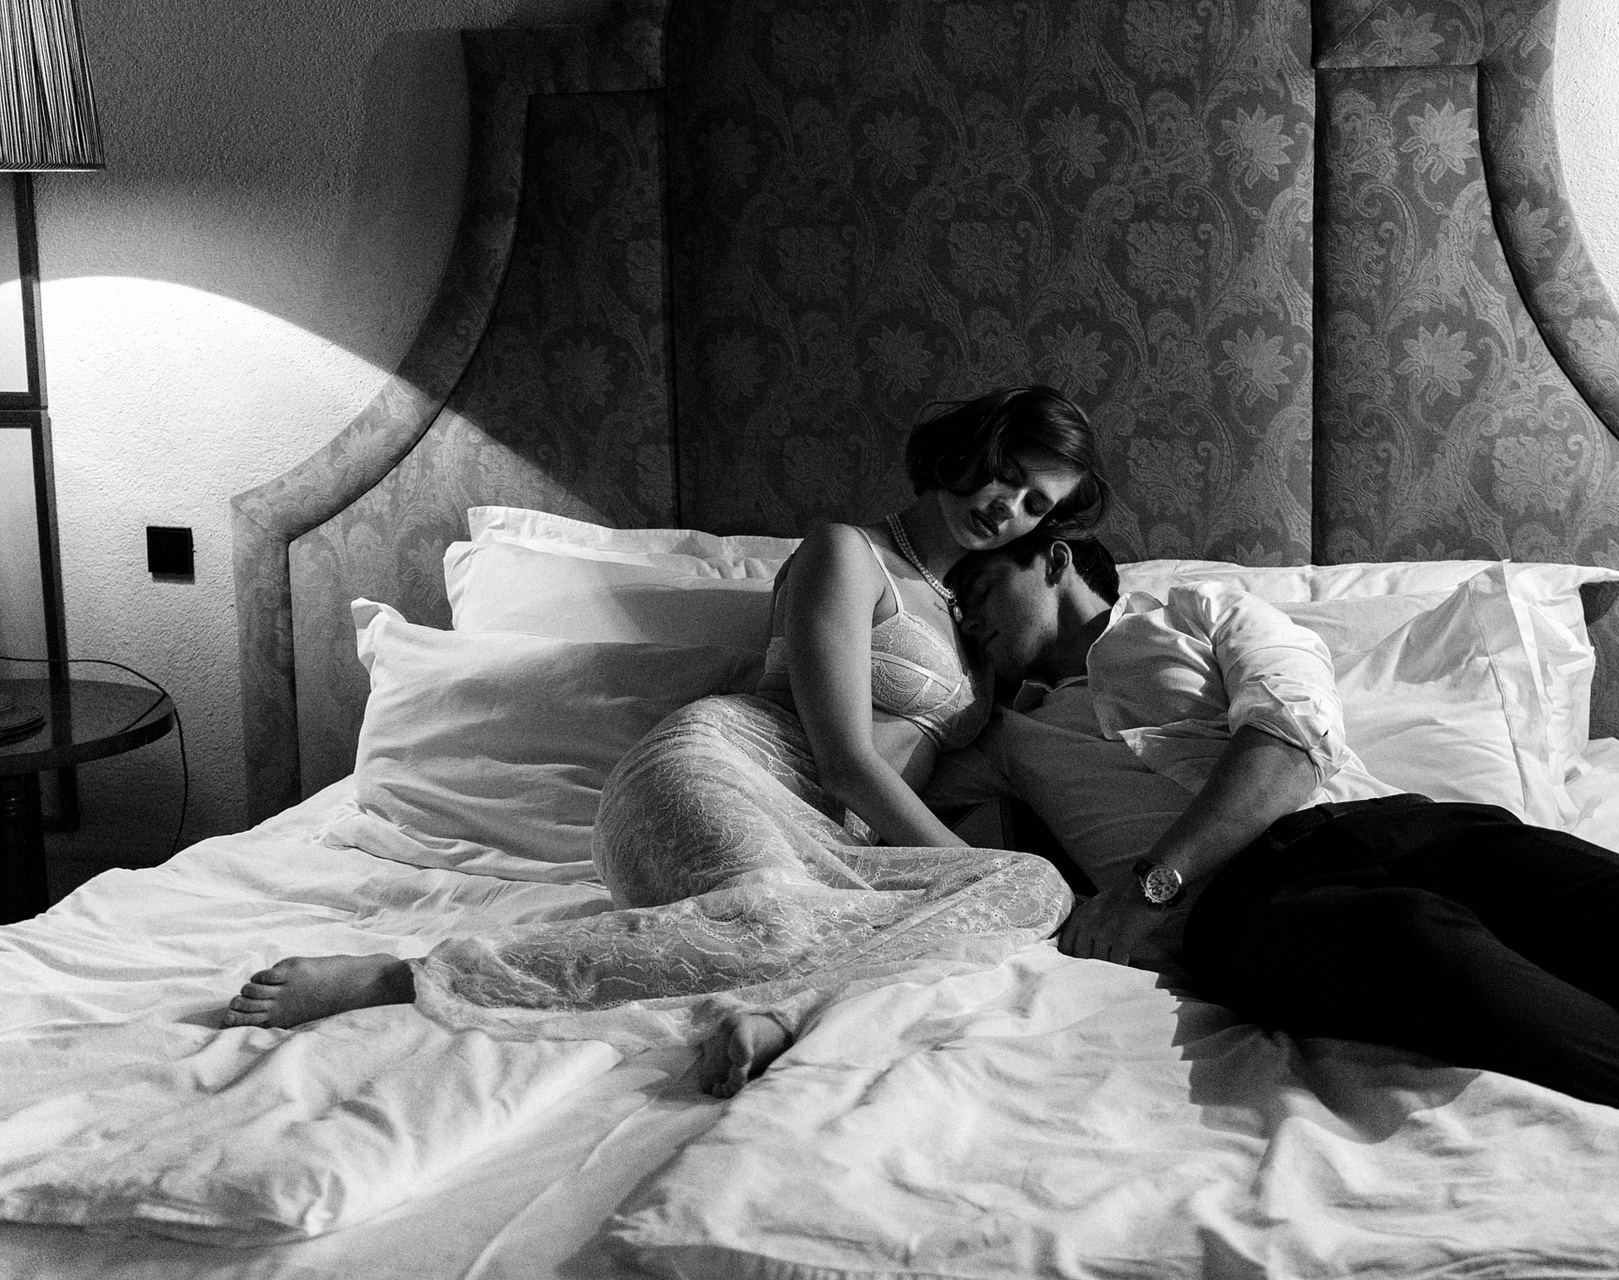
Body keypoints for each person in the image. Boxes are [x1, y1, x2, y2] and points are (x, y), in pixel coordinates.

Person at [929, 528, 1619, 1279]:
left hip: (1400, 824)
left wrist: (1152, 883)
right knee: (1430, 953)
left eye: (975, 590)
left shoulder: (1205, 609)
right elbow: (874, 773)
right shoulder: (1006, 737)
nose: (965, 618)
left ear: (1054, 556)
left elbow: (1289, 742)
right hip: (1250, 905)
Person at [223, 386, 1106, 1097]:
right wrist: (961, 867)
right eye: (1006, 476)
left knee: (1031, 886)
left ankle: (774, 1009)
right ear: (971, 450)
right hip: (717, 773)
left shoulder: (975, 622)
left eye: (1036, 505)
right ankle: (407, 977)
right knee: (781, 916)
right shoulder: (850, 554)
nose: (1007, 508)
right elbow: (845, 762)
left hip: (830, 845)